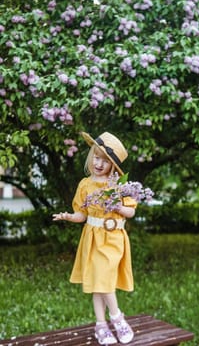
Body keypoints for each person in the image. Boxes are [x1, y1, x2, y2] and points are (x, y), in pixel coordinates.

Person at [53, 131, 137, 345]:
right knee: (100, 280)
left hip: (114, 238)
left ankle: (115, 317)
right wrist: (69, 216)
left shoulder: (119, 184)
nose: (99, 163)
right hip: (93, 237)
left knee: (103, 280)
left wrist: (117, 204)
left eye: (105, 160)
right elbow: (82, 214)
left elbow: (131, 212)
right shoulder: (85, 184)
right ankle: (104, 324)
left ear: (113, 165)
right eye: (96, 157)